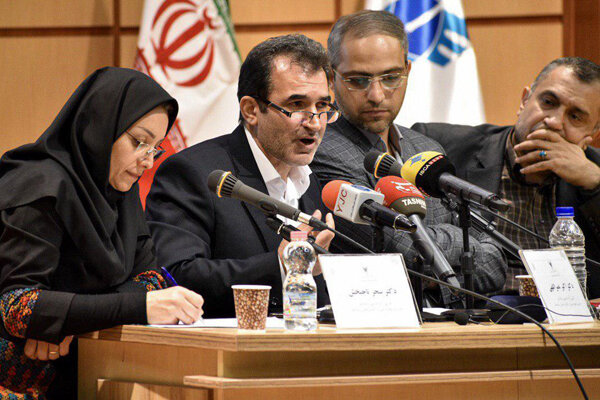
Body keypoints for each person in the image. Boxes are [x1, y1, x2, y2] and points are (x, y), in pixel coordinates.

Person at [0, 67, 204, 399]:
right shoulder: (40, 185)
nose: (147, 162)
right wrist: (135, 307)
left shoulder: (119, 191)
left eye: (155, 149)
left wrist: (70, 319)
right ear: (100, 125)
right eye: (139, 142)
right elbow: (18, 307)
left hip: (83, 370)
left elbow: (152, 278)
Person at [311, 10, 507, 307]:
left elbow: (495, 264)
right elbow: (400, 252)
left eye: (391, 78)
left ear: (408, 70)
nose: (377, 95)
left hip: (449, 326)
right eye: (358, 80)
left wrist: (434, 269)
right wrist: (459, 249)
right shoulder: (322, 150)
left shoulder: (427, 148)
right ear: (331, 76)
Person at [146, 34, 336, 318]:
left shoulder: (313, 181)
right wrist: (281, 266)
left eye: (322, 106)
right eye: (297, 105)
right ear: (251, 110)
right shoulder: (194, 173)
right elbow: (176, 275)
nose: (315, 123)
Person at [412, 57, 600, 299]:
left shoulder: (594, 173)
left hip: (567, 319)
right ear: (524, 100)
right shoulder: (440, 146)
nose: (554, 122)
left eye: (575, 117)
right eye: (548, 102)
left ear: (593, 133)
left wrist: (594, 183)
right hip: (479, 315)